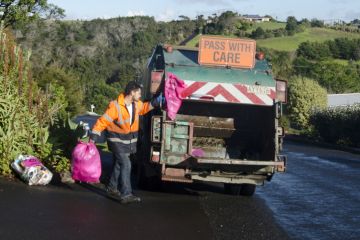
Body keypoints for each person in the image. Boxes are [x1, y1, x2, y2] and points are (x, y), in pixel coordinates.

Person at [89, 81, 163, 204]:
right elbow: (103, 121)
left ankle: (112, 187)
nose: (140, 95)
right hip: (116, 140)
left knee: (119, 164)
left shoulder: (136, 104)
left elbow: (144, 108)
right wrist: (94, 135)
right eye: (138, 92)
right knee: (126, 164)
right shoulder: (115, 106)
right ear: (132, 92)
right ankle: (126, 194)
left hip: (126, 141)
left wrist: (154, 103)